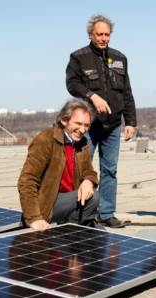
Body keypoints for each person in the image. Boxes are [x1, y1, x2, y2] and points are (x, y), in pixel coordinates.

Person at [66, 14, 137, 228]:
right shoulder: (79, 57)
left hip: (113, 125)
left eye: (107, 34)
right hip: (88, 126)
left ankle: (106, 214)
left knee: (110, 170)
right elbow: (72, 84)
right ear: (91, 34)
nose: (104, 38)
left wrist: (131, 121)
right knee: (81, 169)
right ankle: (81, 214)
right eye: (99, 34)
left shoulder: (119, 58)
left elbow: (126, 91)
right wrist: (91, 95)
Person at [18, 99, 99, 231]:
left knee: (100, 241)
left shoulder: (82, 142)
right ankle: (68, 232)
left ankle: (70, 230)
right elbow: (27, 181)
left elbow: (89, 171)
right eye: (78, 123)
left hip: (70, 201)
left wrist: (88, 181)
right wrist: (34, 218)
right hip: (48, 204)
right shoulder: (46, 139)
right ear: (64, 120)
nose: (83, 129)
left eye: (87, 125)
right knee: (94, 198)